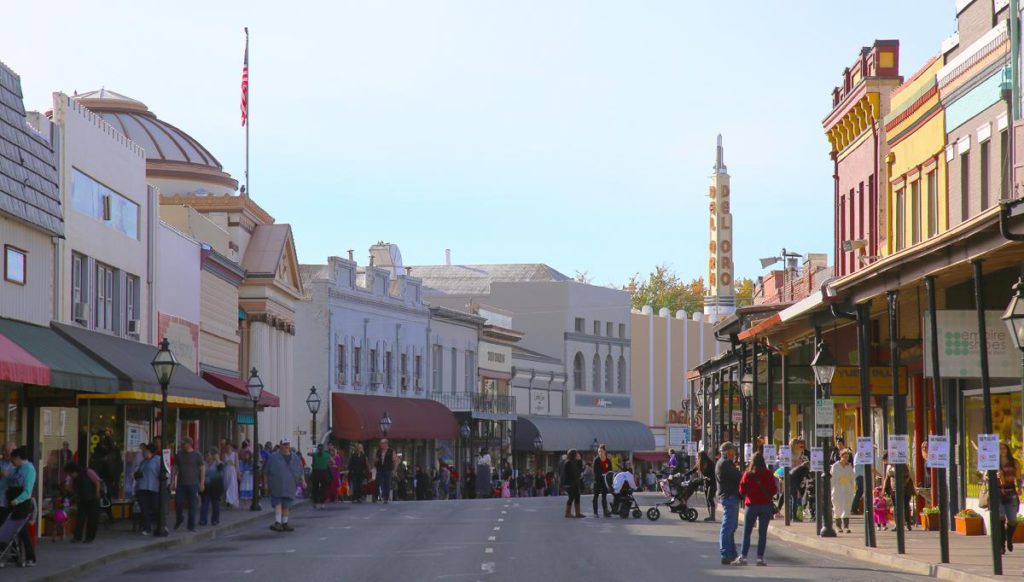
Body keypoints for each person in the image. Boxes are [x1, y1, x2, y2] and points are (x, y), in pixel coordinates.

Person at [735, 451, 776, 567]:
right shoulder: (768, 474)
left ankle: (743, 556)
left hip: (751, 505)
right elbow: (774, 490)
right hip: (765, 505)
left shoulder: (748, 474)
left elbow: (741, 490)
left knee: (747, 532)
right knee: (762, 533)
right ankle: (760, 558)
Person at [265, 439, 306, 532]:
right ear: (280, 445)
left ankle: (285, 523)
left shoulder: (295, 458)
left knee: (286, 505)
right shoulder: (273, 457)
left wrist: (303, 481)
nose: (286, 446)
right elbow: (266, 472)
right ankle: (278, 522)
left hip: (289, 485)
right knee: (278, 503)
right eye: (284, 444)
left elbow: (300, 470)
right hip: (277, 485)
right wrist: (266, 484)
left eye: (287, 444)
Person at [7, 447, 36, 567]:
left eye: (13, 459)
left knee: (22, 531)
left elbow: (28, 491)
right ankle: (15, 555)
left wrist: (17, 500)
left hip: (22, 503)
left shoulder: (29, 469)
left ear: (18, 458)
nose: (12, 461)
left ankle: (31, 558)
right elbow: (11, 479)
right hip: (13, 501)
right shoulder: (17, 469)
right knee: (10, 529)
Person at [716, 441, 742, 565]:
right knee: (728, 527)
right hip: (729, 497)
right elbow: (738, 476)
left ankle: (731, 554)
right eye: (733, 452)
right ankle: (726, 553)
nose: (734, 454)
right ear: (728, 452)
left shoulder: (725, 463)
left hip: (730, 497)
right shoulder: (725, 464)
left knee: (731, 527)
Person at [172, 436, 205, 532]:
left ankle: (191, 525)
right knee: (177, 503)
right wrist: (172, 481)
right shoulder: (179, 455)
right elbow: (175, 468)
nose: (182, 445)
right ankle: (179, 518)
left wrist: (202, 483)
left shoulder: (197, 455)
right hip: (181, 484)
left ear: (189, 444)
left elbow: (202, 468)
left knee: (192, 505)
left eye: (184, 443)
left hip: (193, 484)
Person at [66, 462, 102, 543]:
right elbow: (70, 487)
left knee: (92, 519)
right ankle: (77, 537)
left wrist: (97, 493)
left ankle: (89, 538)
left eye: (71, 473)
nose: (71, 475)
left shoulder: (88, 472)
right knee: (80, 519)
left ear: (74, 471)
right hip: (82, 499)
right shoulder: (72, 478)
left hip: (93, 498)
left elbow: (97, 482)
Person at [883, 452, 914, 531]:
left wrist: (902, 486)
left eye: (886, 460)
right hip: (894, 490)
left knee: (905, 506)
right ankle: (897, 524)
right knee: (896, 507)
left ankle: (908, 523)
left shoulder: (901, 464)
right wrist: (884, 489)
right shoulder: (889, 467)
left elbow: (907, 476)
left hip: (905, 489)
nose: (886, 462)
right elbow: (887, 478)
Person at [134, 444, 161, 536]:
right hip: (142, 488)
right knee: (144, 509)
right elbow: (138, 472)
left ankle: (160, 525)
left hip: (153, 488)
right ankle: (147, 527)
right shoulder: (143, 462)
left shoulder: (158, 460)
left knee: (155, 508)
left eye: (144, 451)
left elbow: (163, 474)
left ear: (149, 451)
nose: (142, 453)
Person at [998, 442, 1020, 553]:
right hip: (998, 492)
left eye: (1004, 448)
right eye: (1000, 448)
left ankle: (1009, 539)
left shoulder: (1014, 462)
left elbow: (1019, 476)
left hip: (1011, 491)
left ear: (1007, 450)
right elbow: (985, 477)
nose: (1002, 450)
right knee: (1000, 518)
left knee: (1012, 520)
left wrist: (1020, 488)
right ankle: (1001, 544)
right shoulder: (994, 463)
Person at [684, 450, 717, 521]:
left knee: (709, 498)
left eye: (698, 456)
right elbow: (693, 470)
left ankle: (712, 516)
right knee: (707, 499)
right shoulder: (700, 463)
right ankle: (710, 516)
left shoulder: (710, 464)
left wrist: (707, 478)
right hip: (706, 482)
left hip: (713, 482)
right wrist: (684, 475)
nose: (697, 458)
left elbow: (714, 475)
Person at [830, 449, 856, 533]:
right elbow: (832, 479)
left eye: (847, 457)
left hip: (847, 490)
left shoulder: (849, 466)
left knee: (846, 507)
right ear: (840, 457)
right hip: (837, 490)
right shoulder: (835, 466)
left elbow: (852, 478)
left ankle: (846, 526)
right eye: (844, 457)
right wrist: (831, 490)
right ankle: (838, 526)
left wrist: (853, 488)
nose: (846, 459)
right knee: (837, 507)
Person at [200, 449, 225, 526]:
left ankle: (215, 520)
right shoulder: (204, 463)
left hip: (216, 487)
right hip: (206, 487)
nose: (207, 457)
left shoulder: (218, 463)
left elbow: (221, 469)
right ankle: (203, 520)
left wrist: (217, 459)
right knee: (204, 504)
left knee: (215, 504)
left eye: (209, 455)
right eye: (206, 455)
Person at [788, 438, 809, 522]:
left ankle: (796, 515)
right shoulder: (790, 453)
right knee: (794, 497)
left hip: (799, 476)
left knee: (797, 497)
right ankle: (794, 516)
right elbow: (788, 465)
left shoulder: (800, 452)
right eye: (798, 444)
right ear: (794, 444)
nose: (800, 446)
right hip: (791, 476)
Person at [591, 444, 612, 517]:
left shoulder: (608, 461)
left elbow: (610, 471)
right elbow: (595, 471)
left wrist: (608, 477)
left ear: (605, 451)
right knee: (595, 497)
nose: (600, 453)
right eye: (599, 451)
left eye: (601, 451)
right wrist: (602, 474)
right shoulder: (596, 460)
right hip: (597, 481)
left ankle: (605, 511)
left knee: (604, 496)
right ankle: (595, 512)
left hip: (605, 481)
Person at [563, 449, 584, 518]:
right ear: (573, 455)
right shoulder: (568, 463)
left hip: (575, 482)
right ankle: (567, 513)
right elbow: (570, 473)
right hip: (570, 483)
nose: (578, 455)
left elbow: (580, 469)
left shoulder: (575, 462)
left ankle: (578, 513)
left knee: (577, 497)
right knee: (571, 497)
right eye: (576, 454)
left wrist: (580, 460)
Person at [310, 444, 332, 509]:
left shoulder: (315, 454)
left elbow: (308, 453)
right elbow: (333, 461)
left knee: (315, 488)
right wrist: (328, 463)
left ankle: (316, 503)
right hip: (324, 473)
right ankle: (322, 503)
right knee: (324, 488)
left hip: (316, 472)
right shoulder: (327, 455)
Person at [374, 439, 397, 503]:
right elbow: (375, 460)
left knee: (387, 484)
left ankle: (385, 498)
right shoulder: (379, 451)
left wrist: (394, 470)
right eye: (380, 444)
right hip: (380, 469)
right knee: (378, 483)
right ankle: (377, 496)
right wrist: (375, 462)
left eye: (382, 444)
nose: (381, 445)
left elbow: (395, 460)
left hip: (388, 470)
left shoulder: (391, 451)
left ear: (386, 444)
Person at [222, 443, 240, 509]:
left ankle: (231, 500)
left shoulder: (235, 454)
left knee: (231, 485)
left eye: (229, 447)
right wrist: (225, 463)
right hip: (226, 471)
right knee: (226, 485)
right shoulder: (224, 455)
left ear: (231, 448)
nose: (228, 449)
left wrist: (238, 473)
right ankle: (227, 501)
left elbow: (237, 464)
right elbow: (223, 463)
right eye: (226, 448)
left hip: (232, 471)